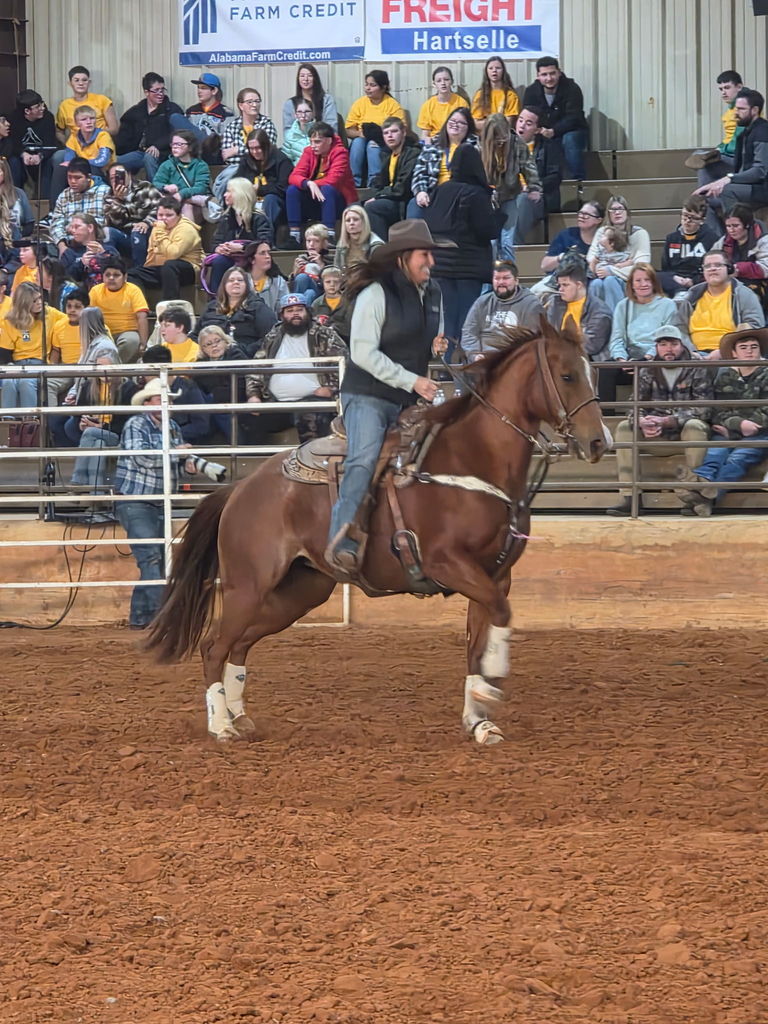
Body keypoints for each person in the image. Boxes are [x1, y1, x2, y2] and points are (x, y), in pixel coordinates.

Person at [325, 220, 447, 574]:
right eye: (425, 255)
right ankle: (341, 540)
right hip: (368, 395)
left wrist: (436, 346)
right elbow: (362, 352)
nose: (431, 262)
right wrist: (413, 381)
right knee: (362, 460)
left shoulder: (432, 292)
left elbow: (424, 339)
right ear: (403, 258)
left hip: (409, 398)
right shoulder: (375, 293)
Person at [115, 378, 199, 629]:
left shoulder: (171, 426)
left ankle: (141, 619)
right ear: (149, 402)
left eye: (169, 400)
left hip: (158, 500)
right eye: (163, 399)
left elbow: (170, 461)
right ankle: (164, 618)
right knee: (152, 558)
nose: (168, 404)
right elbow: (141, 458)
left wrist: (187, 463)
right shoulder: (135, 424)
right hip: (137, 500)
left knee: (156, 560)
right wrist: (177, 453)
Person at [606, 325, 713, 517]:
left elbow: (704, 408)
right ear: (656, 347)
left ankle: (694, 494)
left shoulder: (697, 367)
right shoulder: (647, 369)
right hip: (653, 433)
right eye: (663, 344)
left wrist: (669, 421)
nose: (668, 349)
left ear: (682, 345)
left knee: (695, 426)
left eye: (673, 344)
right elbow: (633, 404)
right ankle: (630, 496)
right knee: (624, 427)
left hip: (683, 432)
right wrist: (640, 421)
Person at [678, 324, 768, 515]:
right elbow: (718, 409)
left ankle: (700, 495)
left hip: (762, 433)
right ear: (734, 353)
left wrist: (740, 425)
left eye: (754, 347)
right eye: (744, 347)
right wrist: (738, 425)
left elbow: (765, 410)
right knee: (714, 456)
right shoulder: (725, 374)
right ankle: (702, 497)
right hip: (729, 431)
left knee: (738, 458)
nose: (750, 352)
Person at [423, 145, 504, 342]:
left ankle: (445, 368)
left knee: (446, 321)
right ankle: (461, 367)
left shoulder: (440, 190)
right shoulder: (476, 193)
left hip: (439, 266)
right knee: (466, 322)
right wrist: (498, 214)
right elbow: (487, 231)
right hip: (468, 268)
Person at [244, 292, 346, 444]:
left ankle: (312, 465)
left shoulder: (324, 334)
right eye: (290, 311)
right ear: (282, 315)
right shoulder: (273, 337)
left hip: (314, 400)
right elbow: (257, 366)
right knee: (246, 417)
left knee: (312, 416)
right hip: (275, 402)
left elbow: (345, 363)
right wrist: (254, 395)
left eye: (299, 309)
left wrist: (331, 388)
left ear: (308, 312)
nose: (295, 314)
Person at [696, 89, 768, 232]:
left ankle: (740, 235)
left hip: (762, 188)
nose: (736, 113)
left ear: (755, 110)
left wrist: (728, 179)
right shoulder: (744, 133)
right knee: (703, 198)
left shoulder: (763, 132)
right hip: (750, 187)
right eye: (736, 108)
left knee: (727, 191)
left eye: (741, 109)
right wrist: (712, 185)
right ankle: (719, 242)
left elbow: (760, 171)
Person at [675, 250, 765, 358]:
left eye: (718, 265)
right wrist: (691, 352)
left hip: (731, 356)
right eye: (707, 266)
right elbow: (679, 327)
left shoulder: (744, 294)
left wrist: (724, 351)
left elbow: (754, 327)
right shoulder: (693, 295)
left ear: (729, 269)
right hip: (694, 356)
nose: (712, 269)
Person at [546, 264, 613, 398]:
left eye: (565, 285)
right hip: (557, 358)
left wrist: (563, 354)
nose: (561, 289)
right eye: (559, 285)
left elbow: (591, 345)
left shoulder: (599, 310)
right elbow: (548, 334)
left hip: (587, 360)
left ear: (579, 285)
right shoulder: (556, 304)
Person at [480, 113, 541, 259]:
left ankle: (510, 277)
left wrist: (534, 187)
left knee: (508, 242)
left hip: (510, 195)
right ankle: (490, 280)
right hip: (487, 200)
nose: (501, 142)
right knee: (492, 243)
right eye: (497, 138)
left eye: (503, 137)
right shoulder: (478, 146)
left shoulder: (516, 143)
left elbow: (528, 166)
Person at [286, 121, 357, 245]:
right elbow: (294, 176)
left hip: (337, 201)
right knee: (293, 189)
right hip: (314, 199)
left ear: (329, 141)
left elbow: (333, 179)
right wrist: (308, 183)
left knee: (327, 189)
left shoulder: (340, 152)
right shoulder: (309, 151)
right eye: (311, 141)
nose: (313, 145)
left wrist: (313, 183)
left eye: (317, 142)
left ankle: (329, 234)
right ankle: (294, 235)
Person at [460, 258, 545, 359]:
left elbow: (531, 341)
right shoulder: (482, 302)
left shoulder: (531, 304)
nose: (501, 282)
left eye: (506, 278)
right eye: (497, 278)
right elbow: (469, 333)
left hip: (514, 360)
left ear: (516, 281)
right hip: (482, 359)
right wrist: (475, 355)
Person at [0, 282, 66, 409]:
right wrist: (11, 367)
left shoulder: (50, 314)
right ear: (24, 303)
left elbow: (70, 321)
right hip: (16, 363)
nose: (39, 302)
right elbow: (5, 353)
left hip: (39, 362)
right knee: (8, 382)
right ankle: (8, 422)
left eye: (40, 298)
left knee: (26, 382)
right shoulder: (9, 320)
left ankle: (29, 423)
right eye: (34, 300)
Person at [522, 57, 589, 181]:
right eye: (544, 74)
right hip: (543, 132)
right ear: (538, 76)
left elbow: (574, 118)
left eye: (552, 73)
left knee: (570, 140)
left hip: (572, 131)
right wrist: (540, 130)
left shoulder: (572, 88)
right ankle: (536, 182)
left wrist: (553, 131)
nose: (549, 78)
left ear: (559, 72)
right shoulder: (531, 91)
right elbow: (528, 115)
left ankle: (579, 183)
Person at [203, 177, 271, 294]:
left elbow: (266, 243)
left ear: (240, 194)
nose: (225, 195)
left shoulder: (259, 218)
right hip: (230, 260)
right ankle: (215, 302)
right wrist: (219, 248)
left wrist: (242, 248)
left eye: (229, 191)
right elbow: (215, 242)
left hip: (251, 260)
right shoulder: (226, 218)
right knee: (219, 261)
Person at [128, 196, 203, 301]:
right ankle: (141, 306)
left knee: (170, 265)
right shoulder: (158, 228)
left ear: (178, 216)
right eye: (160, 215)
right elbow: (151, 254)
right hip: (163, 269)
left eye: (169, 215)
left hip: (190, 270)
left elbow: (173, 254)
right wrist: (147, 271)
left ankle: (170, 305)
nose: (163, 218)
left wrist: (160, 231)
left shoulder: (186, 229)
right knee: (132, 273)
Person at [408, 107, 478, 218]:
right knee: (414, 204)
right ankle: (414, 236)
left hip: (461, 195)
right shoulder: (432, 146)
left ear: (468, 127)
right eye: (452, 121)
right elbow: (419, 173)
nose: (455, 124)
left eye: (461, 122)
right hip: (434, 193)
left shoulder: (475, 147)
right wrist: (420, 192)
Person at [115, 73, 185, 180]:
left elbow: (178, 133)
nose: (160, 93)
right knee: (116, 161)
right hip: (140, 152)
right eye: (156, 90)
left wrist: (157, 145)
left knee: (149, 157)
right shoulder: (136, 111)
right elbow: (124, 134)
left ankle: (156, 191)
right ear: (146, 92)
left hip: (164, 152)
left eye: (162, 90)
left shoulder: (171, 109)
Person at [195, 265, 276, 358]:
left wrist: (246, 351)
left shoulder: (258, 307)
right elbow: (195, 335)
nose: (236, 282)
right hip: (212, 359)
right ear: (224, 285)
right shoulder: (211, 307)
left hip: (246, 359)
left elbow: (270, 336)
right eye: (231, 280)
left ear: (246, 284)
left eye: (240, 280)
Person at [587, 195, 651, 310]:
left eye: (620, 209)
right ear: (608, 213)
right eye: (613, 210)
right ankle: (596, 321)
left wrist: (612, 271)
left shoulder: (639, 233)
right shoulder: (602, 232)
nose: (617, 213)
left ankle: (616, 322)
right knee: (595, 284)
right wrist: (599, 270)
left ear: (627, 212)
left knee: (610, 281)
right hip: (600, 276)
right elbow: (591, 257)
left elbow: (642, 265)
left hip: (627, 280)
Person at [345, 71, 406, 187]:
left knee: (372, 145)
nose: (368, 88)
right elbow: (348, 130)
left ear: (383, 87)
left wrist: (379, 137)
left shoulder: (392, 105)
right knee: (357, 142)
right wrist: (359, 133)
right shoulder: (360, 103)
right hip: (362, 139)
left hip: (383, 142)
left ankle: (374, 183)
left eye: (372, 85)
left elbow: (400, 130)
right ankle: (354, 183)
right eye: (366, 84)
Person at [215, 88, 278, 200]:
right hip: (238, 167)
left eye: (257, 101)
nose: (254, 105)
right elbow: (228, 158)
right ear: (241, 105)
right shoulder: (232, 126)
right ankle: (223, 209)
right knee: (228, 178)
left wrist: (237, 150)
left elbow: (267, 149)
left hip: (263, 167)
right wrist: (248, 152)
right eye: (250, 102)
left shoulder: (267, 124)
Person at [364, 117, 419, 241]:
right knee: (354, 207)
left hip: (403, 201)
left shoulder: (413, 153)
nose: (390, 136)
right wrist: (377, 193)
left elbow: (402, 187)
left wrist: (379, 196)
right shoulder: (386, 154)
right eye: (386, 133)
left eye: (394, 132)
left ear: (404, 132)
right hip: (390, 197)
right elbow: (379, 182)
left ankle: (381, 248)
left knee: (372, 207)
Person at [609, 264, 678, 361]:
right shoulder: (623, 306)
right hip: (628, 357)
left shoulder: (668, 305)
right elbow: (617, 339)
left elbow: (667, 339)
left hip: (656, 357)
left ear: (654, 283)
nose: (643, 284)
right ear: (632, 285)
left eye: (647, 280)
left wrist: (646, 359)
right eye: (638, 281)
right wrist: (621, 360)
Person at [233, 129, 292, 244]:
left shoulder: (281, 160)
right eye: (251, 149)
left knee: (270, 199)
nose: (255, 152)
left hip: (276, 202)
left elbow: (283, 187)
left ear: (266, 146)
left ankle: (265, 239)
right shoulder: (246, 160)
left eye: (258, 148)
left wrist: (259, 190)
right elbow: (236, 180)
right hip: (251, 199)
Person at [687, 70, 745, 185]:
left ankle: (704, 197)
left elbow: (739, 138)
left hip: (741, 159)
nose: (723, 92)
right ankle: (707, 196)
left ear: (739, 87)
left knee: (703, 162)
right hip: (731, 154)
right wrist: (718, 149)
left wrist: (719, 151)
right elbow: (729, 139)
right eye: (721, 89)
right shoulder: (731, 110)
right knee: (700, 156)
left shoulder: (744, 108)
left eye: (727, 88)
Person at [50, 104, 115, 205]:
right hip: (84, 170)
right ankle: (53, 210)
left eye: (92, 118)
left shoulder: (103, 136)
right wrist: (76, 164)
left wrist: (81, 163)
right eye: (84, 119)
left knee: (85, 169)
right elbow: (69, 160)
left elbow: (102, 161)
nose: (89, 122)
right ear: (77, 123)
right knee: (61, 169)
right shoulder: (74, 137)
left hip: (102, 172)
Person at [89, 256, 150, 363]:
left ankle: (111, 368)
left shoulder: (133, 290)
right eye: (108, 275)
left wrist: (143, 344)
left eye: (116, 275)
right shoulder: (95, 291)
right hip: (103, 333)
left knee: (132, 341)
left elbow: (142, 317)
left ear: (125, 276)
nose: (111, 278)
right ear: (102, 277)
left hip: (127, 333)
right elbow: (88, 317)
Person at [102, 163, 163, 268]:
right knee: (106, 232)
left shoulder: (145, 187)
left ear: (129, 174)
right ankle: (112, 268)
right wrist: (118, 200)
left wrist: (146, 222)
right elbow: (115, 222)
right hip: (125, 235)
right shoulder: (109, 196)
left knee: (137, 231)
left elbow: (161, 207)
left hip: (148, 232)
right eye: (113, 178)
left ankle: (139, 271)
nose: (117, 179)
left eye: (120, 175)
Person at [195, 324, 248, 441]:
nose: (214, 346)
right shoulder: (200, 364)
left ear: (225, 341)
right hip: (213, 403)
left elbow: (241, 384)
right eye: (208, 344)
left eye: (217, 341)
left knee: (220, 410)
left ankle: (240, 448)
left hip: (236, 399)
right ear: (203, 349)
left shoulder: (236, 355)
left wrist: (215, 395)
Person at [659, 196, 720, 298]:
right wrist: (674, 277)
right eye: (685, 216)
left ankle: (683, 294)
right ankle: (680, 293)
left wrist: (692, 281)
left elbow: (712, 267)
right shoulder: (671, 238)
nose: (687, 221)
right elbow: (665, 267)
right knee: (651, 274)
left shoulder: (712, 239)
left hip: (699, 279)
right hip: (675, 279)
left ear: (702, 220)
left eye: (693, 218)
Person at [48, 158, 111, 256]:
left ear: (88, 177)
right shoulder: (64, 195)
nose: (72, 181)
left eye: (77, 178)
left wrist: (76, 229)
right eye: (69, 177)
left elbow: (106, 222)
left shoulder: (105, 192)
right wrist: (62, 246)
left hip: (96, 244)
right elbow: (56, 224)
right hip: (70, 244)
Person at [710, 204, 768, 309]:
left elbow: (765, 268)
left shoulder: (763, 240)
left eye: (735, 226)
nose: (731, 230)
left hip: (758, 284)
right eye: (728, 226)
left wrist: (738, 269)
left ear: (747, 225)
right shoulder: (724, 241)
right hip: (729, 282)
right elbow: (711, 259)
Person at [8, 89, 57, 198]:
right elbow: (11, 144)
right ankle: (16, 199)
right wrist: (23, 154)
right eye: (38, 106)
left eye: (42, 104)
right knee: (13, 162)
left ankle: (45, 202)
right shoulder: (13, 119)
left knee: (49, 163)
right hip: (21, 156)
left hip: (42, 155)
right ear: (27, 111)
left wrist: (40, 155)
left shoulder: (48, 117)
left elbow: (51, 143)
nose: (42, 108)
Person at [152, 130, 211, 222]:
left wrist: (182, 193)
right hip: (171, 203)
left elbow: (201, 188)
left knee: (187, 206)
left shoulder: (200, 165)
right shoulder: (167, 164)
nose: (175, 147)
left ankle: (187, 235)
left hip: (193, 203)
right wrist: (165, 187)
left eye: (179, 144)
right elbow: (156, 182)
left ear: (190, 147)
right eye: (173, 144)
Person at [59, 212, 119, 291]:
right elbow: (65, 279)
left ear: (90, 227)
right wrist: (81, 263)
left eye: (77, 227)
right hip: (81, 296)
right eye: (71, 227)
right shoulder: (69, 252)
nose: (72, 230)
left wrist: (104, 255)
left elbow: (119, 271)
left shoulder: (109, 249)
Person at [185, 73, 233, 161]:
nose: (199, 91)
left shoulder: (225, 112)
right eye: (198, 87)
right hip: (193, 152)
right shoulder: (191, 110)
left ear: (214, 90)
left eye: (203, 88)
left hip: (213, 154)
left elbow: (227, 138)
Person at [282, 63, 339, 135]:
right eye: (302, 76)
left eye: (310, 76)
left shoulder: (327, 100)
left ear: (315, 78)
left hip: (323, 141)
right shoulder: (290, 103)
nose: (305, 79)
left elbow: (332, 127)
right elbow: (288, 131)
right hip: (298, 143)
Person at [471, 56, 520, 135]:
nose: (494, 71)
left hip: (503, 137)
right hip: (483, 138)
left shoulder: (510, 95)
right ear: (486, 72)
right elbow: (476, 124)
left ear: (503, 71)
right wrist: (498, 122)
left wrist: (486, 122)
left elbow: (508, 123)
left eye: (498, 68)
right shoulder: (480, 95)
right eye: (491, 68)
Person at [417, 67, 467, 141]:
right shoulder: (428, 105)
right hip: (436, 141)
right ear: (434, 84)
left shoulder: (461, 102)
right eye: (439, 81)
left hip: (456, 139)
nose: (443, 83)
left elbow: (465, 128)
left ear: (452, 82)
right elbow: (424, 134)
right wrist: (428, 140)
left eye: (446, 80)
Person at [334, 205, 384, 274]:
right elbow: (337, 271)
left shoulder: (376, 245)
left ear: (364, 222)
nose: (351, 223)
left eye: (355, 219)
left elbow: (379, 273)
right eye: (348, 220)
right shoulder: (341, 244)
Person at [246, 240, 289, 315]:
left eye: (269, 253)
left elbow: (284, 308)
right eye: (263, 253)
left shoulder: (279, 282)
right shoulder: (241, 280)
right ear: (252, 259)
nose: (268, 256)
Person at [0, 156, 34, 241]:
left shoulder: (19, 193)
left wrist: (18, 236)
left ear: (5, 173)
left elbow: (29, 224)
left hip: (15, 239)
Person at [282, 99, 315, 165]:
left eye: (307, 111)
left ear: (313, 114)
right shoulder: (290, 135)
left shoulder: (320, 132)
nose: (303, 115)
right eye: (299, 112)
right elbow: (285, 161)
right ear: (295, 115)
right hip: (297, 172)